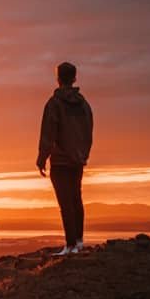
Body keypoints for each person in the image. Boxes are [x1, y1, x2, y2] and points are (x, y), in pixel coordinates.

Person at [36, 61, 94, 256]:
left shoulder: (54, 104)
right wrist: (83, 154)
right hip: (77, 160)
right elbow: (88, 131)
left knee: (66, 203)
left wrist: (42, 158)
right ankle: (78, 241)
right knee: (76, 199)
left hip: (60, 160)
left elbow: (48, 133)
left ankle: (70, 246)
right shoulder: (84, 105)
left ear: (58, 78)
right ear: (75, 78)